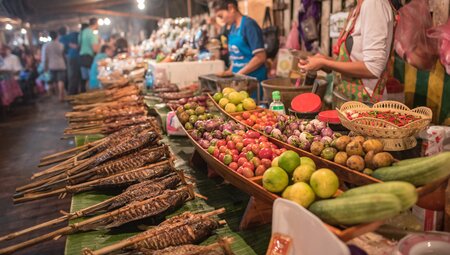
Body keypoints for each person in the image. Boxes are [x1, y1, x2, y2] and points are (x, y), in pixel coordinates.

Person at [298, 0, 395, 103]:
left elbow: (373, 68)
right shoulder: (357, 8)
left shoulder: (374, 4)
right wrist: (323, 60)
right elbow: (352, 62)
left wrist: (325, 62)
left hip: (365, 106)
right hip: (347, 101)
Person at [212, 0, 267, 98]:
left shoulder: (249, 25)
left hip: (252, 82)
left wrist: (238, 74)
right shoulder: (233, 27)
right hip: (240, 82)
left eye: (221, 16)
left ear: (231, 8)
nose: (222, 20)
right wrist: (229, 72)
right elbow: (236, 55)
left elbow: (260, 57)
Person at [44, 31, 67, 101]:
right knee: (61, 80)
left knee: (55, 81)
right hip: (61, 64)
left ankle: (57, 94)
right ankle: (61, 95)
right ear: (57, 36)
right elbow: (64, 55)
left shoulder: (46, 46)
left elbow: (45, 58)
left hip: (51, 65)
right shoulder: (61, 45)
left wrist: (45, 67)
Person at [79, 18, 100, 90]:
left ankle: (86, 96)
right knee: (91, 77)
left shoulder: (82, 32)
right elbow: (95, 49)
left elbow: (79, 44)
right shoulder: (91, 33)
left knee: (85, 79)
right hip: (89, 58)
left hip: (81, 57)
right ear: (96, 23)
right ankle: (90, 94)